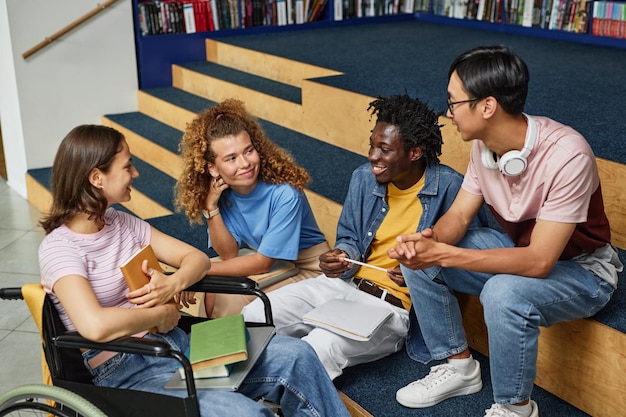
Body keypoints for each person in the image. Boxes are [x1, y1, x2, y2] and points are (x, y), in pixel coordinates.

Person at [38, 124, 351, 417]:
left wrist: (172, 285)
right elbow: (95, 326)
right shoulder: (60, 249)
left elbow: (197, 258)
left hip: (181, 344)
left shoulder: (121, 223)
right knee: (248, 413)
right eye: (127, 166)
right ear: (97, 178)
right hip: (128, 368)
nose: (135, 172)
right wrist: (159, 316)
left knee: (298, 356)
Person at [390, 45, 623, 417]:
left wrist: (447, 254)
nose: (448, 113)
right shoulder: (483, 148)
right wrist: (428, 241)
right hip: (520, 253)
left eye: (453, 103)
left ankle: (515, 408)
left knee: (502, 293)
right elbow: (460, 217)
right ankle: (457, 366)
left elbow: (539, 261)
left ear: (486, 106)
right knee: (421, 254)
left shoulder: (568, 155)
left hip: (583, 272)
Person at [243, 94, 488, 380]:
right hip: (343, 285)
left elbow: (470, 258)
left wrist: (421, 271)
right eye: (372, 145)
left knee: (319, 346)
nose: (373, 156)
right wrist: (342, 256)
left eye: (384, 149)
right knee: (256, 312)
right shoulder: (364, 177)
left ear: (415, 152)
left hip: (391, 308)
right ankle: (230, 394)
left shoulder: (451, 188)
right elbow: (349, 237)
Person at [175, 99, 330, 318]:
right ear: (212, 168)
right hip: (279, 265)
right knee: (213, 286)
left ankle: (226, 348)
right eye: (231, 158)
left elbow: (262, 263)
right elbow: (228, 253)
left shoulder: (285, 193)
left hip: (310, 270)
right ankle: (215, 344)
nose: (245, 163)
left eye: (248, 151)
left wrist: (193, 272)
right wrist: (211, 207)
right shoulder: (224, 194)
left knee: (227, 293)